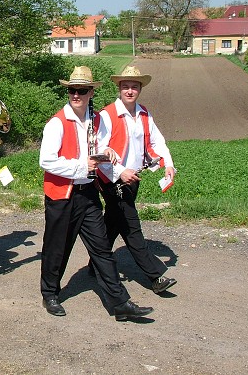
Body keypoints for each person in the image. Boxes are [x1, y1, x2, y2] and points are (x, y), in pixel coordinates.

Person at [39, 66, 154, 320]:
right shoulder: (57, 123)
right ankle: (49, 293)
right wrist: (82, 166)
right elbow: (46, 161)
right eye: (72, 90)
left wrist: (107, 152)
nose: (76, 95)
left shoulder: (96, 119)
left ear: (91, 92)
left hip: (88, 193)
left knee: (102, 248)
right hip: (62, 195)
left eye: (81, 90)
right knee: (57, 248)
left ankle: (119, 303)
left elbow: (99, 145)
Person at [95, 66, 177, 294]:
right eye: (125, 86)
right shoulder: (107, 115)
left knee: (112, 223)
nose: (129, 91)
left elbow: (157, 141)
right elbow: (99, 150)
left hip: (134, 178)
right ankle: (155, 276)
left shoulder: (143, 113)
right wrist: (120, 172)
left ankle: (95, 264)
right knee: (131, 227)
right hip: (113, 179)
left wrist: (168, 163)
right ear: (119, 88)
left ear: (140, 89)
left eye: (134, 86)